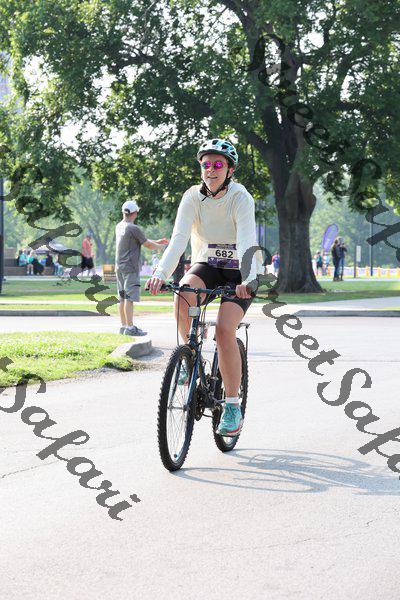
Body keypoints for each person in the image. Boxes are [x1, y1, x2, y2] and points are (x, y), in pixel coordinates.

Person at [146, 138, 264, 437]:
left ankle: (232, 406)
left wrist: (248, 279)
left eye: (218, 165)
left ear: (230, 170)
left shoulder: (240, 197)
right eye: (206, 164)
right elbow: (179, 239)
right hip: (208, 264)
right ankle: (190, 357)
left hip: (240, 269)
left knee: (224, 330)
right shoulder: (191, 197)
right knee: (184, 294)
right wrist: (160, 273)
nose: (211, 169)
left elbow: (247, 239)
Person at [115, 199, 169, 336]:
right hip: (130, 267)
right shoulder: (133, 228)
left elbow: (140, 240)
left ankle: (124, 326)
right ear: (135, 213)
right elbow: (147, 245)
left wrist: (157, 242)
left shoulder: (119, 226)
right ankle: (130, 328)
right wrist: (163, 247)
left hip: (119, 267)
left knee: (122, 297)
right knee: (129, 298)